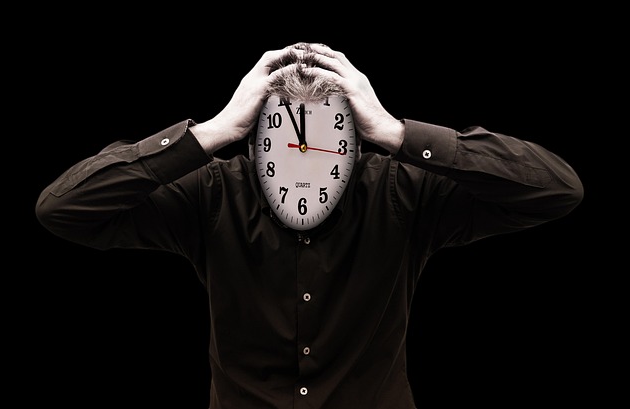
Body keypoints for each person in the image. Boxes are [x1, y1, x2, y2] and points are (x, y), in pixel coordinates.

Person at [35, 42, 584, 408]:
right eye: (281, 141)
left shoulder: (401, 191)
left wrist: (397, 133)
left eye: (328, 143)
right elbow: (63, 208)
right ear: (253, 142)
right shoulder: (213, 192)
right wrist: (211, 132)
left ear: (357, 143)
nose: (304, 165)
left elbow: (557, 189)